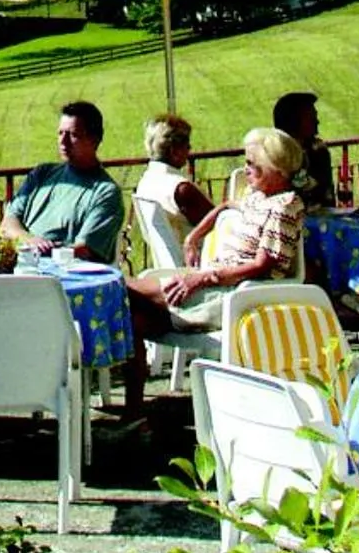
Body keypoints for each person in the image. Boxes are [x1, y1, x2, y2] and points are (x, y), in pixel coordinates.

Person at [118, 126, 308, 411]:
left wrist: (202, 277)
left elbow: (261, 264)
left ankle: (131, 409)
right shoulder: (259, 197)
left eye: (252, 164)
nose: (246, 170)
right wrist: (194, 238)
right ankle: (134, 412)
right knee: (130, 313)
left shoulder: (284, 207)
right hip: (214, 282)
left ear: (276, 169)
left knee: (122, 292)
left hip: (232, 293)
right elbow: (227, 206)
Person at [2, 100, 125, 263]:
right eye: (60, 133)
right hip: (20, 265)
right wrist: (30, 241)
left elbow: (84, 250)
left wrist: (47, 250)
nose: (63, 141)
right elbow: (8, 223)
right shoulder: (42, 175)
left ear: (94, 140)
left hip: (59, 276)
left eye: (73, 135)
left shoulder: (105, 193)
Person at [133, 113, 215, 244]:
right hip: (200, 260)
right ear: (174, 151)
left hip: (168, 261)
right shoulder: (181, 189)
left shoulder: (145, 183)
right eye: (187, 145)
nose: (190, 150)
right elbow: (222, 225)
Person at [273, 91, 336, 210]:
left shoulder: (318, 150)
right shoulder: (274, 154)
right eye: (311, 117)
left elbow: (323, 193)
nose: (317, 121)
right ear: (293, 121)